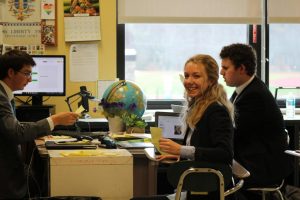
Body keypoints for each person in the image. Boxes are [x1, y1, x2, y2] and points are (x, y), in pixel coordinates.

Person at [0, 50, 79, 199]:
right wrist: (54, 120)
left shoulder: (5, 95)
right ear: (11, 72)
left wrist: (43, 128)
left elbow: (10, 126)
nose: (29, 80)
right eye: (27, 73)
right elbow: (16, 132)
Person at [219, 43, 292, 199]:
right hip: (252, 158)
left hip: (260, 167)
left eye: (226, 68)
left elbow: (232, 133)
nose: (221, 72)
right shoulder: (244, 90)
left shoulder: (254, 95)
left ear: (242, 68)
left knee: (211, 171)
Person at [157, 54, 235, 199]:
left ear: (211, 80)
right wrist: (179, 154)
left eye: (196, 76)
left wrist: (181, 150)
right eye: (186, 76)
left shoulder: (216, 111)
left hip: (206, 190)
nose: (189, 81)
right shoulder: (197, 105)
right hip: (194, 184)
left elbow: (225, 154)